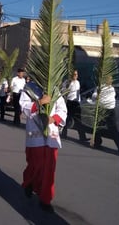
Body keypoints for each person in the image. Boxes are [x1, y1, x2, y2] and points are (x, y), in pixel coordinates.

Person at [20, 81, 67, 213]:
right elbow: (23, 106)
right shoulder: (30, 87)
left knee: (49, 169)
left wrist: (54, 119)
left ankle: (45, 199)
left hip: (51, 134)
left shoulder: (55, 88)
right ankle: (29, 181)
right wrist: (40, 102)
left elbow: (62, 108)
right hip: (35, 133)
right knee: (37, 164)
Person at [91, 76, 119, 151]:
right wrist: (97, 96)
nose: (110, 80)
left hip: (110, 110)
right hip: (102, 109)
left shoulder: (112, 88)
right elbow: (94, 96)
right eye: (109, 79)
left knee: (114, 129)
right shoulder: (100, 87)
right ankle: (97, 143)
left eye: (111, 79)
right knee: (98, 127)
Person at [61, 70, 88, 141]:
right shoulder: (67, 82)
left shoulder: (78, 82)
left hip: (76, 103)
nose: (75, 76)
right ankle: (64, 134)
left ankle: (82, 137)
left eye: (76, 74)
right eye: (74, 74)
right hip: (69, 102)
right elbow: (63, 91)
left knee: (79, 120)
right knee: (67, 118)